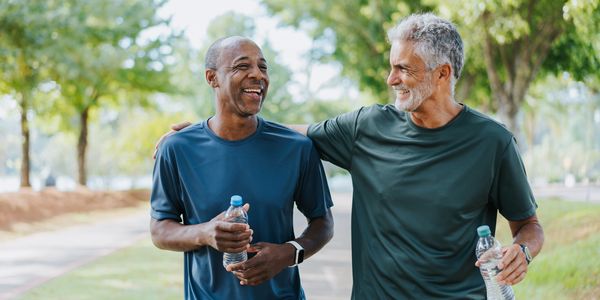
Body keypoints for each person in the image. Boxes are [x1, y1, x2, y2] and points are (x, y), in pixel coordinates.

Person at [157, 13, 544, 299]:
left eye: (402, 69)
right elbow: (289, 134)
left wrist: (522, 251)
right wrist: (206, 129)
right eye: (391, 67)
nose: (391, 79)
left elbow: (528, 225)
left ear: (442, 74)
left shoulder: (492, 143)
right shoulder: (368, 127)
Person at [150, 36, 334, 300]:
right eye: (242, 66)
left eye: (263, 67)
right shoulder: (177, 149)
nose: (257, 75)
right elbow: (159, 231)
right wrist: (205, 233)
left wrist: (289, 253)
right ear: (212, 78)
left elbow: (322, 222)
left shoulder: (297, 148)